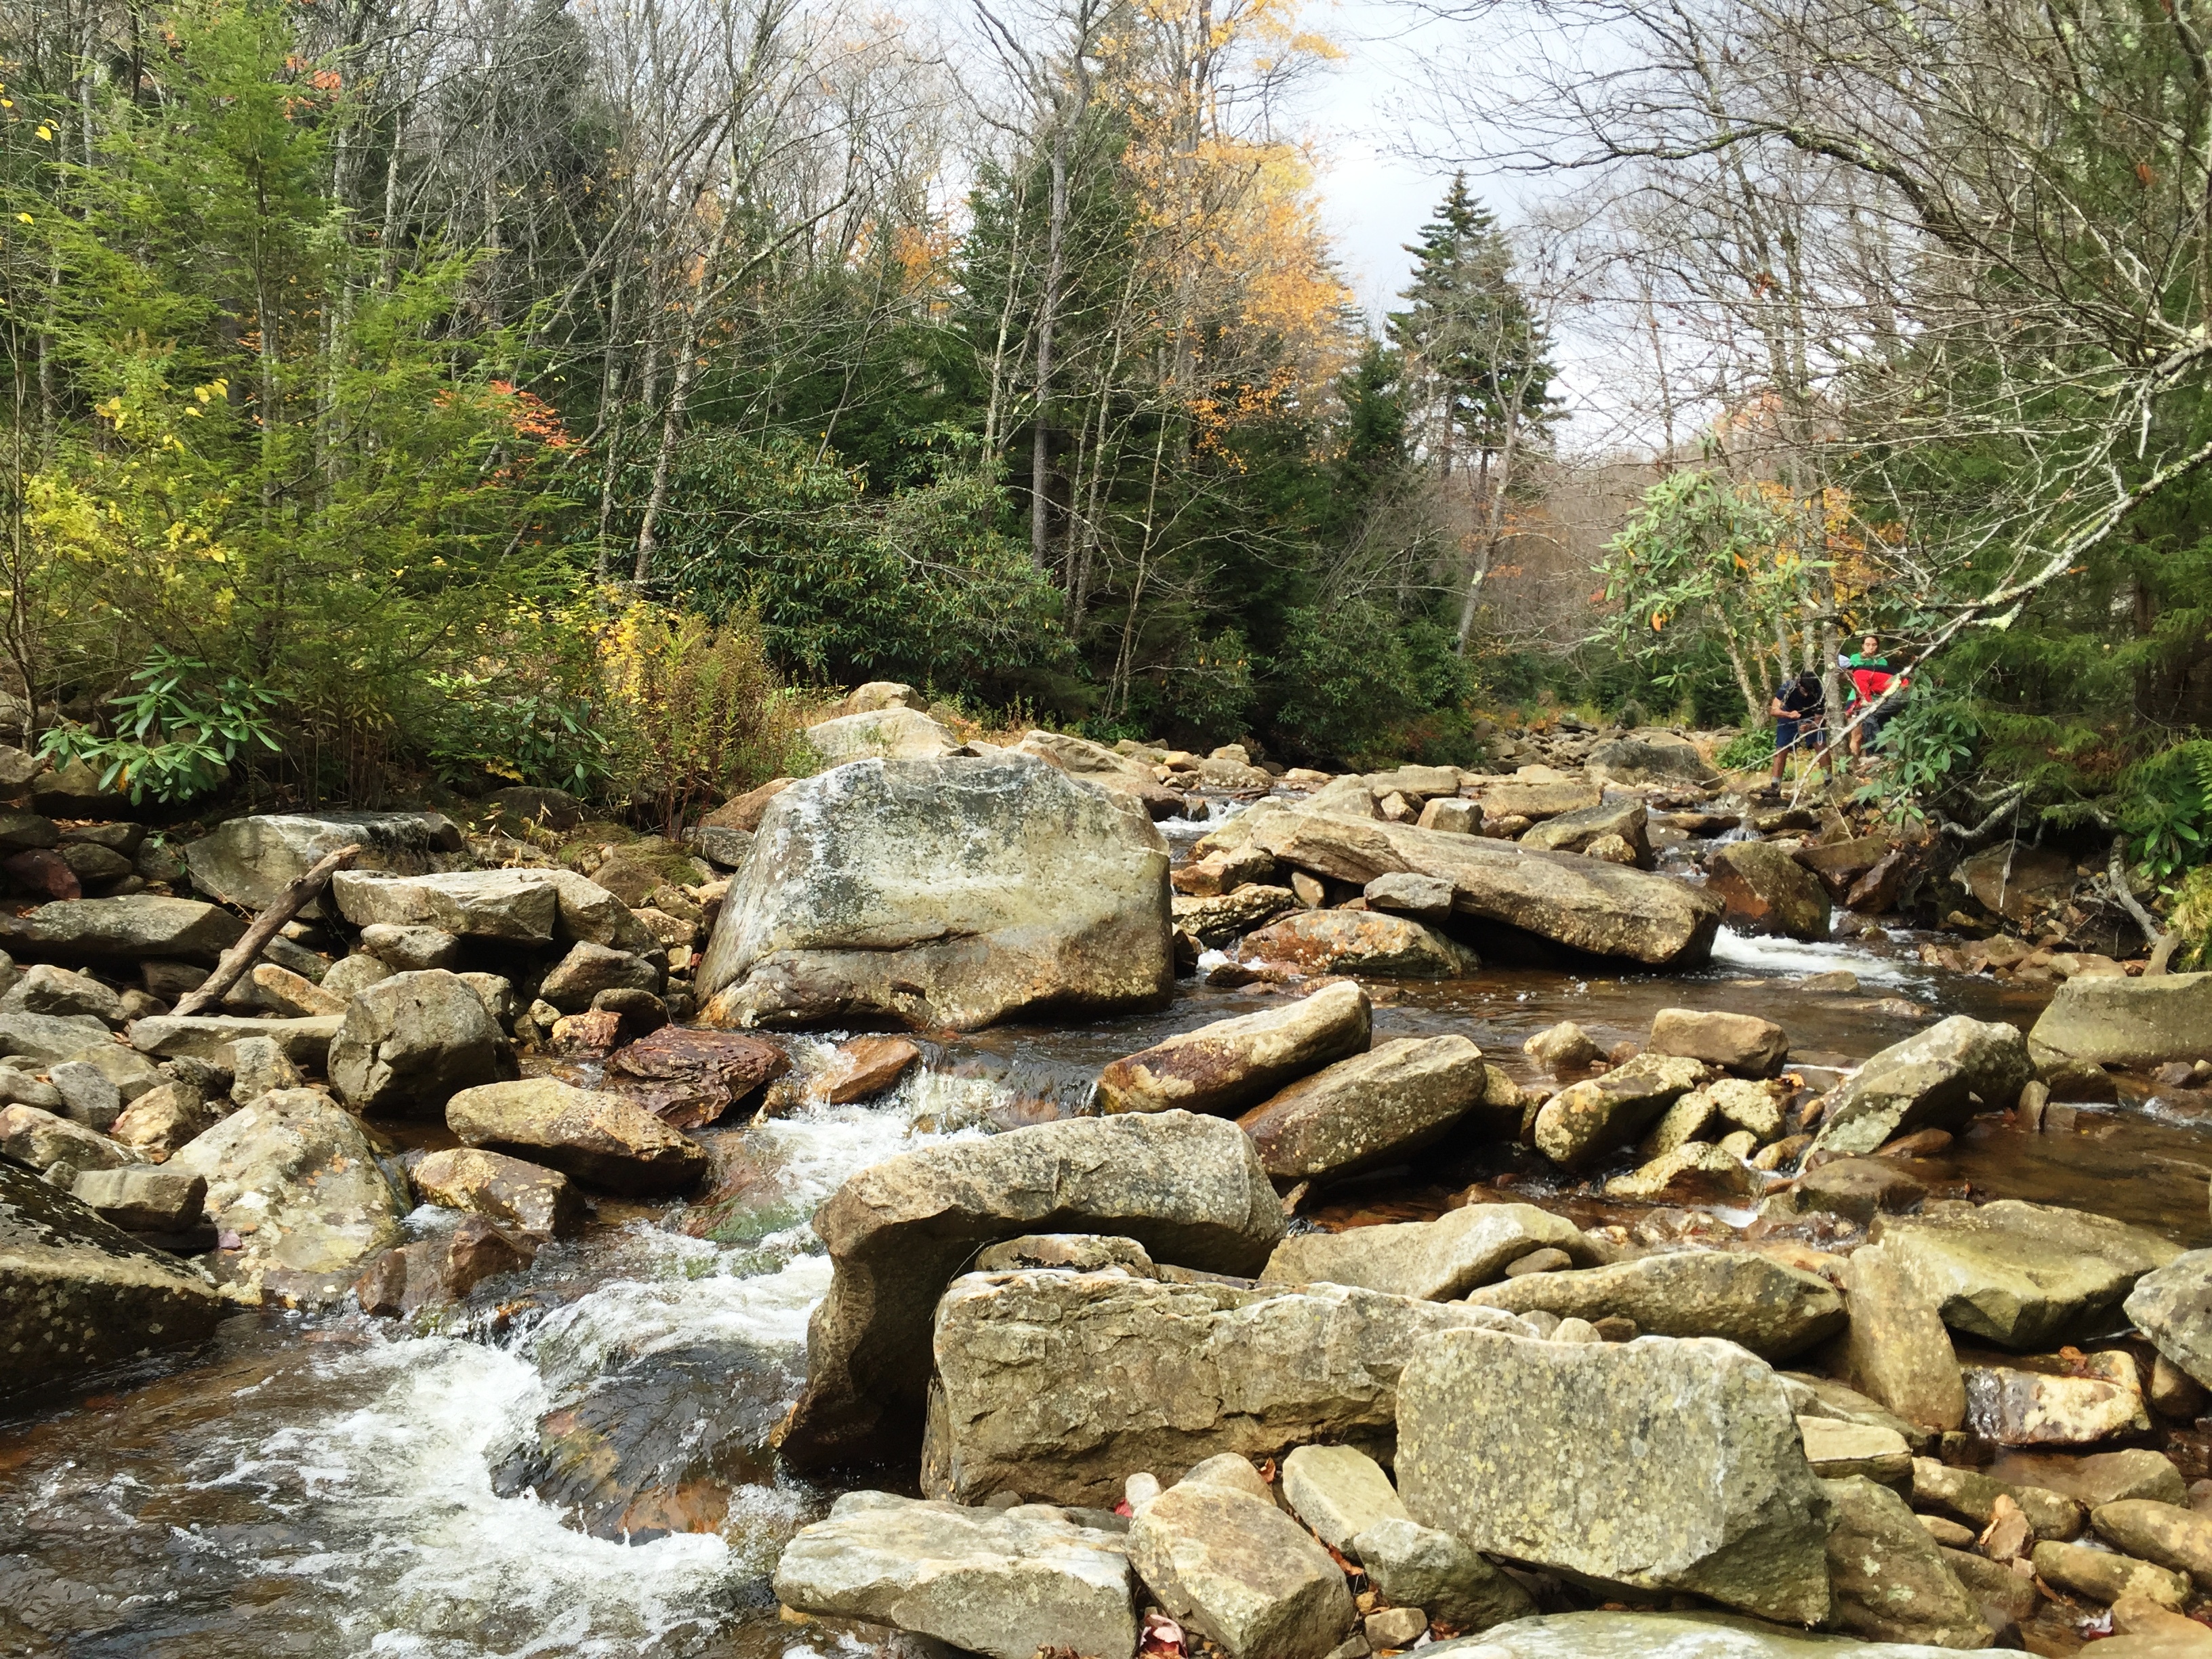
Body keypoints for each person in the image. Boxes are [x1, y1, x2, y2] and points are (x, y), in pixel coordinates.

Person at [1840, 634, 1894, 757]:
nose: (1871, 648)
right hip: (1856, 698)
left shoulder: (1882, 662)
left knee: (1870, 733)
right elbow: (1851, 676)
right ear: (1863, 646)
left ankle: (1868, 763)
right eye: (1868, 645)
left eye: (1874, 645)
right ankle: (1853, 763)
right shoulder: (1855, 658)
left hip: (1875, 700)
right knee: (1857, 735)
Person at [1769, 669, 1825, 785]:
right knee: (1781, 750)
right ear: (1799, 684)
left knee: (1821, 746)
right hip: (1789, 713)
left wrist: (1810, 727)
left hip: (1810, 715)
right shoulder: (1788, 687)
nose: (1806, 694)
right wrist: (1789, 714)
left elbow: (1819, 719)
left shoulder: (1819, 691)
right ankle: (1775, 785)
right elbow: (1774, 711)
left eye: (1809, 692)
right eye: (1804, 691)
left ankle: (1828, 780)